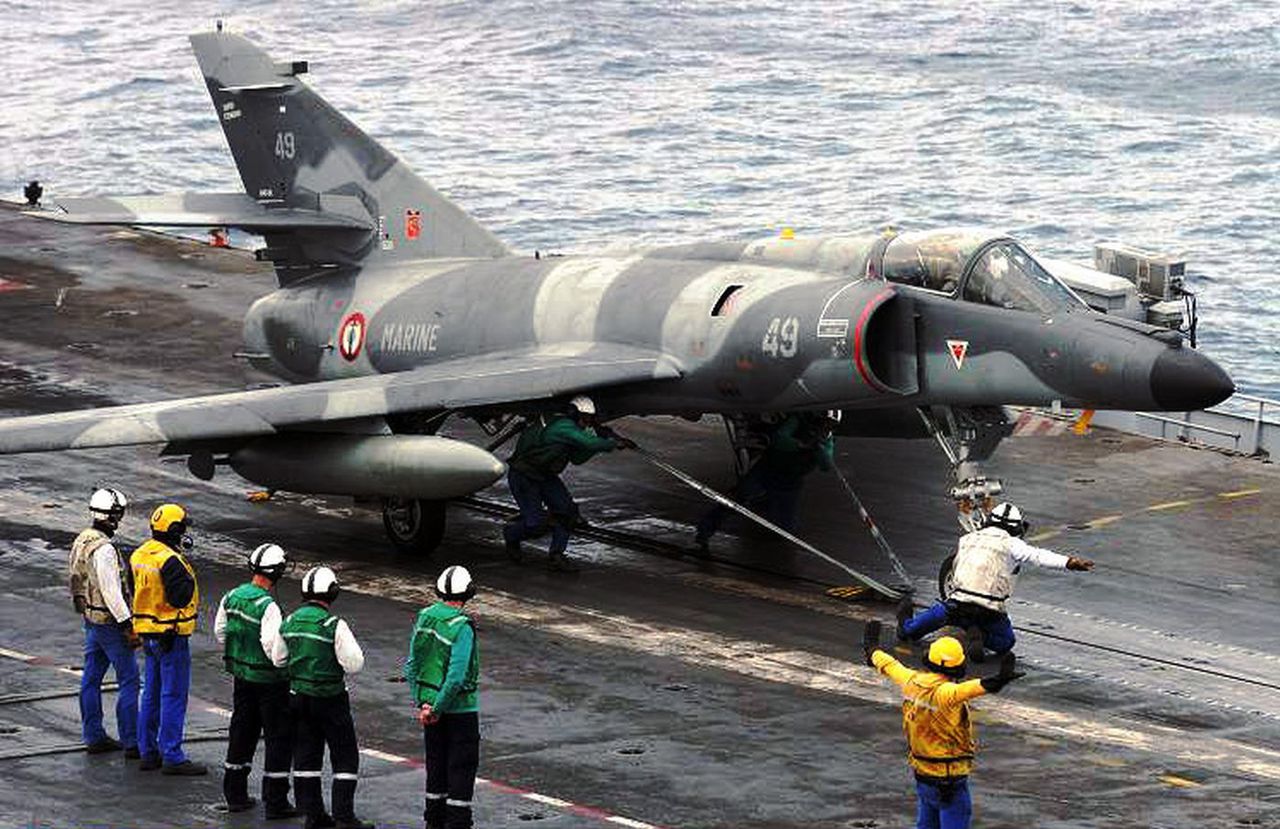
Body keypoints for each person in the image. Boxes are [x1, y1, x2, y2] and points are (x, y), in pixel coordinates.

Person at [863, 622, 1023, 829]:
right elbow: (969, 689)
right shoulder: (945, 694)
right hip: (949, 778)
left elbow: (892, 666)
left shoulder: (911, 681)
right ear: (958, 666)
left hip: (922, 773)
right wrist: (998, 680)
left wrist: (872, 649)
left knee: (926, 823)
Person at [897, 502, 1093, 659]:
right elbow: (1039, 556)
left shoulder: (967, 539)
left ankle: (908, 623)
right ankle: (979, 635)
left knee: (910, 631)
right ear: (1015, 527)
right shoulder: (1013, 544)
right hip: (990, 609)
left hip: (956, 605)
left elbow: (953, 567)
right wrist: (1069, 562)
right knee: (1005, 643)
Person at [272, 566, 373, 829]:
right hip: (330, 699)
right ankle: (344, 815)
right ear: (332, 593)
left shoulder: (290, 621)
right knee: (345, 757)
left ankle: (313, 815)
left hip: (298, 697)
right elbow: (354, 664)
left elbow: (278, 658)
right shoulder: (333, 625)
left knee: (306, 754)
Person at [502, 395, 635, 571]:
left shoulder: (573, 432)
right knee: (535, 525)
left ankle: (557, 555)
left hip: (545, 476)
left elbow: (577, 458)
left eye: (590, 419)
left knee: (567, 513)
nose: (588, 423)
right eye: (585, 418)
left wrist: (600, 443)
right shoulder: (563, 427)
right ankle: (511, 535)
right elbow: (588, 442)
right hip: (524, 476)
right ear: (574, 414)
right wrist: (611, 443)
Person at [214, 543, 298, 818]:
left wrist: (239, 655)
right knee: (278, 739)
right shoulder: (268, 605)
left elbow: (221, 632)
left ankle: (235, 794)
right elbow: (272, 648)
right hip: (269, 683)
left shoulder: (232, 596)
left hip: (242, 678)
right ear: (277, 572)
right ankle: (276, 800)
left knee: (241, 732)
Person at [694, 410, 840, 550]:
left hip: (790, 482)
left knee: (786, 528)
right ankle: (705, 530)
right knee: (737, 498)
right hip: (767, 470)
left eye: (830, 425)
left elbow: (826, 465)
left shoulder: (826, 438)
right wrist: (801, 445)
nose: (826, 427)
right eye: (825, 423)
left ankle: (765, 512)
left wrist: (819, 450)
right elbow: (779, 439)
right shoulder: (797, 421)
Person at [130, 503, 204, 774]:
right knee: (173, 695)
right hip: (171, 636)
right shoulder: (170, 560)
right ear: (174, 530)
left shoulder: (140, 554)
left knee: (150, 693)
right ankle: (172, 754)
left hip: (147, 633)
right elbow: (179, 597)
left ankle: (148, 751)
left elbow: (133, 588)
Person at [406, 565, 481, 829]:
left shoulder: (425, 617)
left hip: (429, 710)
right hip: (460, 712)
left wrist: (424, 703)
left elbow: (412, 664)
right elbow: (456, 676)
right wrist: (438, 708)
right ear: (469, 592)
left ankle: (433, 822)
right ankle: (458, 823)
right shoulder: (462, 627)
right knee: (461, 769)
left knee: (435, 768)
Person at [68, 487, 140, 757]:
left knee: (91, 678)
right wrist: (127, 625)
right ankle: (133, 742)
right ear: (113, 516)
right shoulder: (105, 549)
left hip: (91, 620)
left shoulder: (83, 539)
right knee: (130, 680)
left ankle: (94, 735)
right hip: (110, 623)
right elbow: (112, 592)